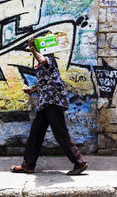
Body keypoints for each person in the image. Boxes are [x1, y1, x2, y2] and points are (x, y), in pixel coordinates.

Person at [10, 36, 88, 175]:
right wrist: (32, 90)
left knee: (60, 133)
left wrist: (32, 49)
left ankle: (79, 162)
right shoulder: (41, 65)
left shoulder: (49, 58)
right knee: (35, 134)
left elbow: (43, 60)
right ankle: (28, 165)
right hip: (45, 104)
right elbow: (45, 83)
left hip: (53, 102)